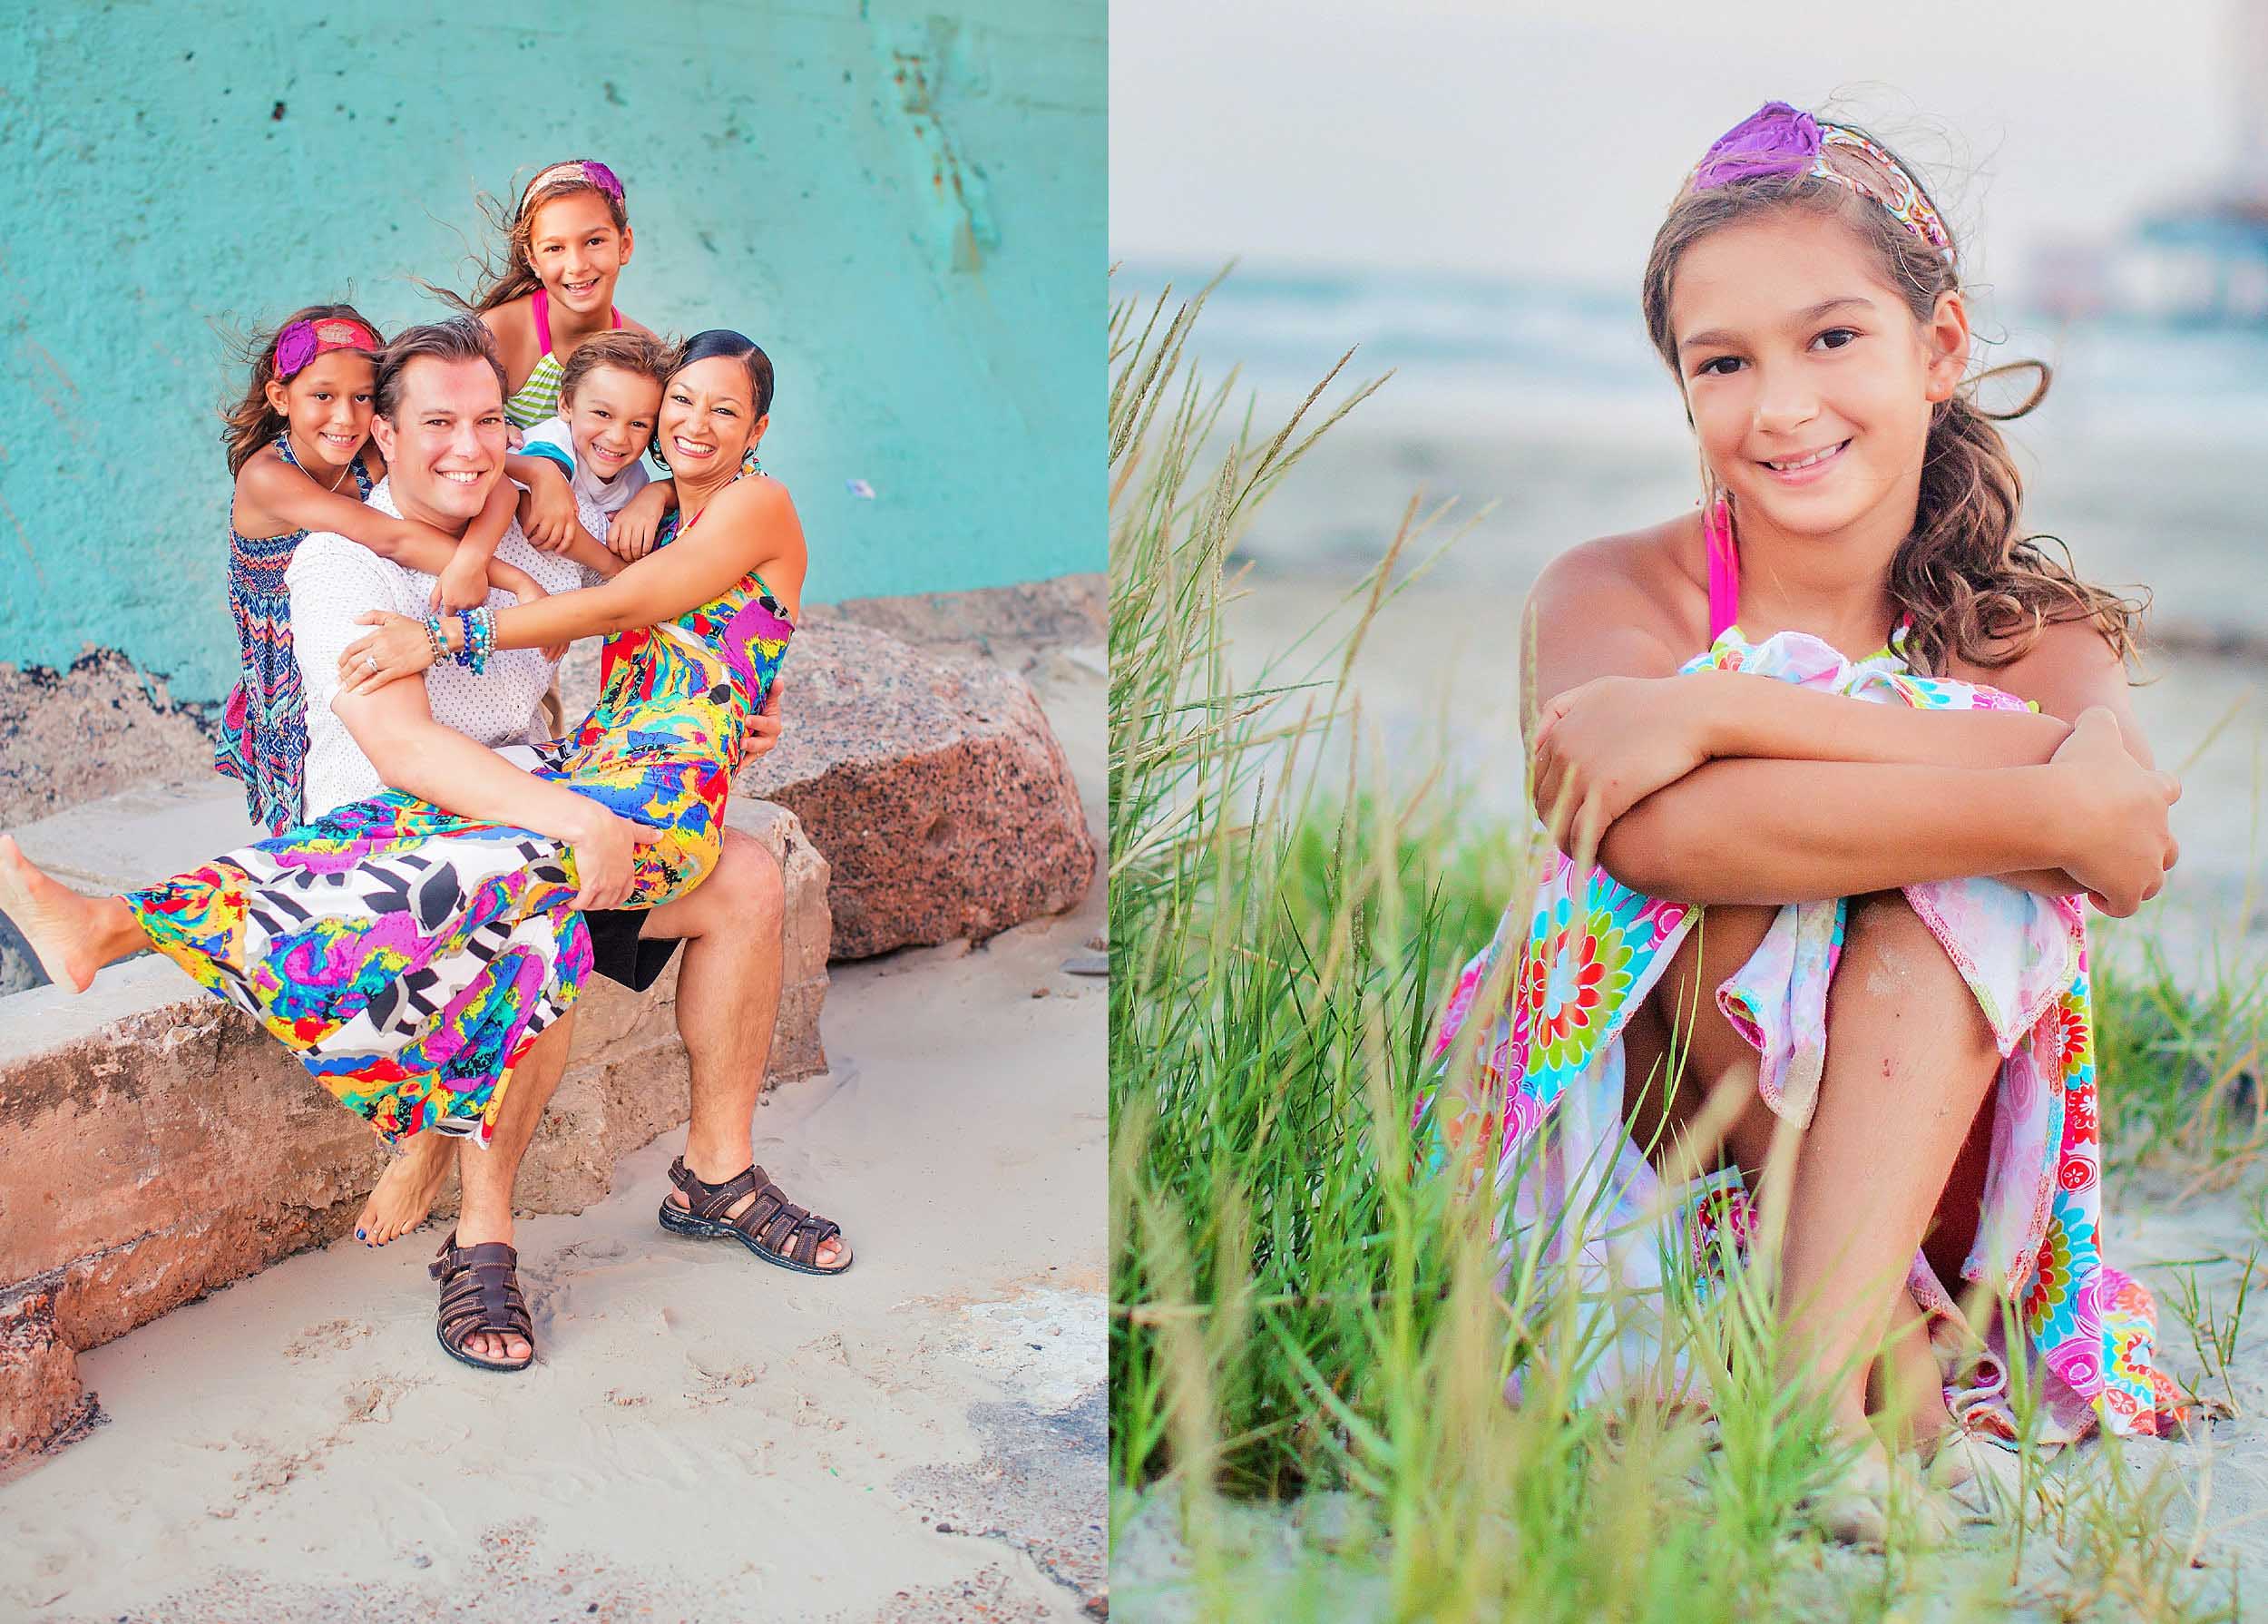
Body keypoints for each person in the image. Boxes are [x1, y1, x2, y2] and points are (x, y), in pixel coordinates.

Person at [1423, 102, 2185, 1542]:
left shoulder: (2036, 635)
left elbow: (2127, 845)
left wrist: (1716, 716)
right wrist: (2027, 792)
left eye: (1832, 339)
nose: (1779, 406)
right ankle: (1848, 1382)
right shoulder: (1616, 591)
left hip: (1929, 1186)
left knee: (1974, 880)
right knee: (1743, 861)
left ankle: (1827, 1380)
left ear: (1938, 348)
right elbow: (1640, 838)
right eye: (1724, 363)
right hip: (1681, 1167)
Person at [0, 319, 847, 1378]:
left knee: (747, 877)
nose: (468, 445)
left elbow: (627, 555)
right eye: (437, 423)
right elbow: (405, 749)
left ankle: (710, 1173)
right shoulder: (338, 566)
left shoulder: (557, 506)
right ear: (383, 440)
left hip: (540, 791)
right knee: (540, 916)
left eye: (487, 421)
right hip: (410, 816)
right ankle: (476, 1226)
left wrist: (730, 701)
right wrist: (576, 805)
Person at [212, 304, 546, 833]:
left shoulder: (367, 447)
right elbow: (389, 537)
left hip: (338, 612)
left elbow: (497, 476)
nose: (345, 417)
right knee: (305, 766)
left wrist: (542, 478)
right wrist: (507, 575)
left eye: (361, 397)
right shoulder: (267, 476)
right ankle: (305, 874)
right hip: (285, 637)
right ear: (281, 397)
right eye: (322, 396)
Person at [442, 157, 677, 560]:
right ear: (533, 258)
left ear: (625, 244)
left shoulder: (642, 353)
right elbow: (433, 440)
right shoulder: (501, 335)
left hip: (581, 534)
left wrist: (657, 493)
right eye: (555, 248)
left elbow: (695, 463)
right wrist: (538, 470)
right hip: (481, 534)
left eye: (594, 241)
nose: (577, 265)